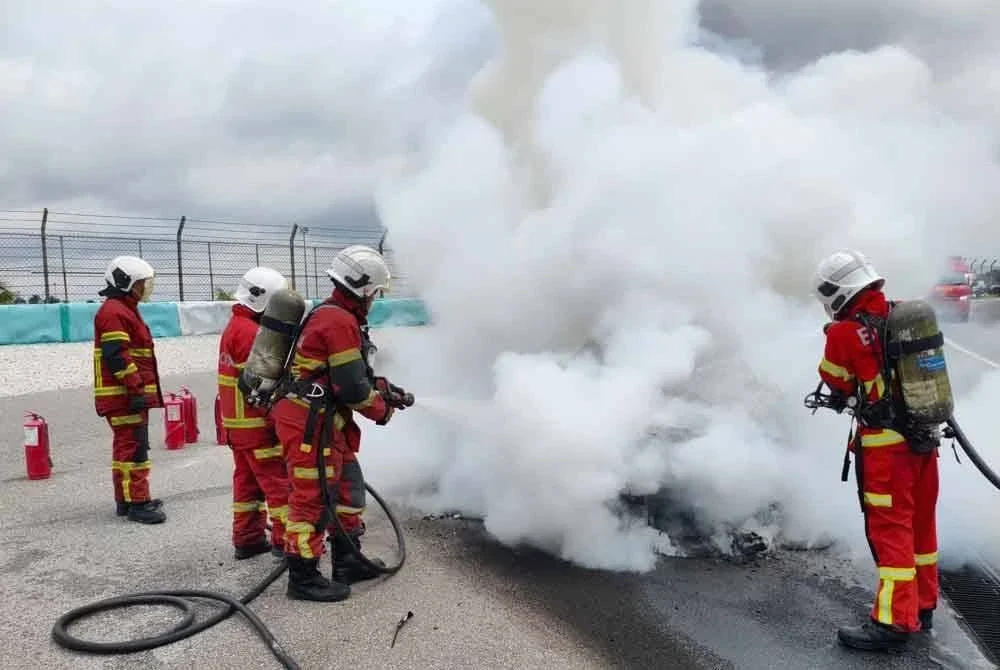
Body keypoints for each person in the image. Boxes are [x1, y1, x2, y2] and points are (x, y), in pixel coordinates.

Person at [811, 249, 939, 652]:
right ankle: (922, 606)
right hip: (924, 442)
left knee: (890, 531)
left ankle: (893, 622)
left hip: (886, 453)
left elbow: (836, 382)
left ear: (836, 292)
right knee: (921, 526)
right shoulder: (903, 316)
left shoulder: (845, 332)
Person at [270, 244, 411, 602]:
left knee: (348, 486)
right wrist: (382, 409)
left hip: (323, 419)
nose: (376, 299)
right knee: (312, 498)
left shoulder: (338, 317)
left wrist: (384, 389)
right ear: (363, 289)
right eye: (375, 292)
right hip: (307, 423)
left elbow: (349, 376)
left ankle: (348, 560)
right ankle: (302, 577)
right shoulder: (337, 321)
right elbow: (351, 390)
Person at [218, 267, 292, 560]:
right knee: (278, 484)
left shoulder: (235, 325)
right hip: (257, 426)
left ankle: (247, 538)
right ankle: (287, 543)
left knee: (247, 483)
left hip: (237, 427)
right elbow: (265, 383)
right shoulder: (252, 334)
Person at [93, 255, 166, 525]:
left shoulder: (124, 308)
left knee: (127, 446)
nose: (145, 288)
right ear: (125, 282)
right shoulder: (115, 311)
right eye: (141, 283)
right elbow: (117, 356)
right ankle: (137, 503)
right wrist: (136, 389)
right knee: (134, 448)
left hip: (126, 394)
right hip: (124, 395)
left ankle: (127, 499)